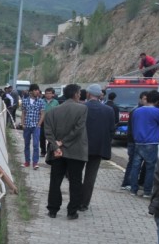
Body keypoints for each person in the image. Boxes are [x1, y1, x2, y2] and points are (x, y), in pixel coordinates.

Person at [44, 84, 88, 220]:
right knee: (75, 181)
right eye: (79, 93)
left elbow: (48, 132)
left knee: (55, 180)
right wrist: (64, 142)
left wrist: (56, 146)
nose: (80, 95)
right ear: (75, 94)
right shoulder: (82, 109)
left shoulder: (52, 111)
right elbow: (79, 129)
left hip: (57, 152)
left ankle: (53, 209)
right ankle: (72, 211)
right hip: (76, 151)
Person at [130, 90, 159, 198]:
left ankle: (133, 189)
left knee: (135, 167)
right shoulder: (157, 112)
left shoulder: (137, 111)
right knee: (150, 168)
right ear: (156, 101)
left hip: (138, 141)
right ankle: (146, 191)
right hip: (151, 142)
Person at [80, 84, 116, 211]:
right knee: (90, 177)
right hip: (98, 149)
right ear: (100, 95)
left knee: (76, 174)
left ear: (88, 94)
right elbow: (112, 130)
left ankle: (76, 199)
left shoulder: (82, 108)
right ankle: (84, 203)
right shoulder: (108, 110)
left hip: (81, 147)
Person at [121, 91, 149, 191]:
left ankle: (129, 182)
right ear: (140, 99)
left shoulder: (141, 110)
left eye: (147, 99)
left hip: (136, 140)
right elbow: (135, 127)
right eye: (145, 99)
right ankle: (126, 183)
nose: (146, 101)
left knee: (134, 162)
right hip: (134, 141)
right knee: (133, 162)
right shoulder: (136, 110)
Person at [21, 83, 45, 169]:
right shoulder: (25, 101)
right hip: (27, 126)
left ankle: (35, 163)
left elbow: (42, 114)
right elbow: (23, 113)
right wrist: (22, 124)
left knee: (35, 144)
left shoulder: (40, 101)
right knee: (26, 144)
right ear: (31, 91)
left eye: (38, 90)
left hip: (36, 126)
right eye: (35, 90)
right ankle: (27, 161)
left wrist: (39, 125)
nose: (37, 91)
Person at [39, 87, 60, 156]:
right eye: (46, 93)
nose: (48, 95)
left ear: (53, 94)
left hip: (52, 123)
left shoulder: (56, 102)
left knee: (51, 138)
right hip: (42, 122)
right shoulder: (41, 101)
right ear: (44, 94)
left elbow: (58, 113)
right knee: (42, 137)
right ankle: (43, 151)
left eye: (50, 93)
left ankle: (49, 151)